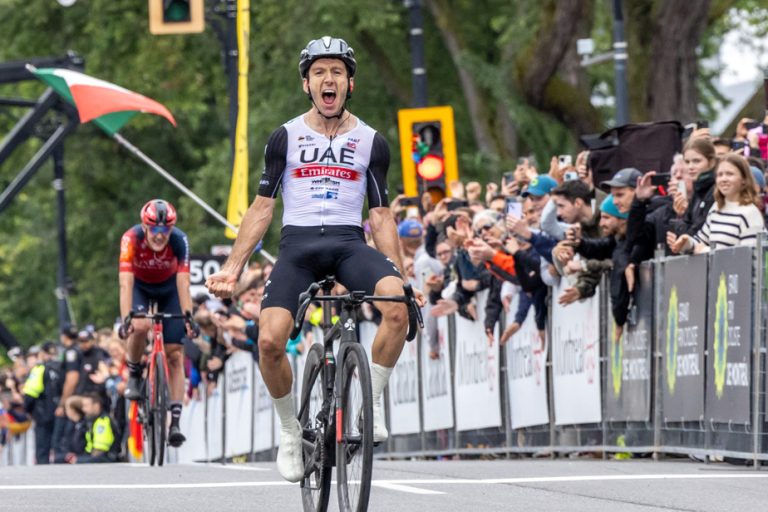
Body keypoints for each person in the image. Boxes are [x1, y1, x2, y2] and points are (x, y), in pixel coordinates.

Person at [205, 36, 424, 483]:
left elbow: (380, 215)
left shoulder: (371, 141)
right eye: (320, 72)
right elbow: (262, 208)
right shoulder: (285, 137)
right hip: (298, 249)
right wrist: (231, 268)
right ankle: (290, 430)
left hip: (348, 244)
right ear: (307, 83)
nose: (329, 79)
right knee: (269, 342)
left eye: (338, 72)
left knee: (397, 307)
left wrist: (399, 272)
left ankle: (372, 400)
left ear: (350, 84)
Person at [118, 199, 195, 448]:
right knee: (139, 327)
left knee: (174, 354)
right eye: (154, 229)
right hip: (140, 287)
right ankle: (133, 372)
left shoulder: (179, 240)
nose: (160, 235)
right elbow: (125, 283)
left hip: (169, 289)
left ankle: (174, 421)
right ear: (144, 226)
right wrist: (126, 317)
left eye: (165, 230)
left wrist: (188, 315)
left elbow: (184, 282)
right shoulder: (130, 239)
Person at [668, 154, 765, 254]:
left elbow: (749, 257)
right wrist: (687, 243)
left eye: (729, 174)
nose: (723, 179)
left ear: (744, 180)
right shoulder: (716, 208)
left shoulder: (750, 213)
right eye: (720, 175)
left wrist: (705, 250)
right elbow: (701, 240)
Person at [22, 341, 62, 464]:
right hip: (61, 413)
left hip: (43, 414)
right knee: (59, 449)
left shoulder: (40, 369)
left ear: (43, 353)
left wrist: (27, 410)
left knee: (42, 450)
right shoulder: (63, 367)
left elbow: (30, 394)